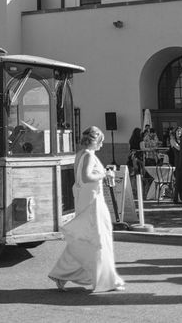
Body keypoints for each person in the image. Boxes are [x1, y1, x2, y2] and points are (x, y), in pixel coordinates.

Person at [48, 125, 125, 293]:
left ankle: (62, 273)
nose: (102, 145)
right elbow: (86, 176)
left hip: (86, 200)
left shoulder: (80, 154)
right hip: (93, 202)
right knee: (97, 240)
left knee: (85, 239)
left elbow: (80, 178)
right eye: (101, 142)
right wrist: (105, 174)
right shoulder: (89, 156)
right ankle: (104, 280)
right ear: (95, 141)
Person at [169, 126, 182, 203]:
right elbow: (179, 148)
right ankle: (177, 198)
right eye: (178, 132)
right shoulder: (172, 140)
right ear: (175, 133)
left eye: (180, 132)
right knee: (178, 179)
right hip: (177, 160)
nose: (179, 133)